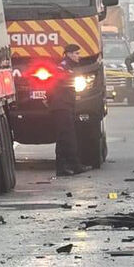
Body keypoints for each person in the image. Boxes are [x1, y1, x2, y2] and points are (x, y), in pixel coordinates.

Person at [52, 43, 89, 176]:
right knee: (65, 137)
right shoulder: (63, 67)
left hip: (66, 105)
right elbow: (61, 82)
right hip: (61, 106)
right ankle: (70, 166)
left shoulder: (70, 67)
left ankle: (67, 166)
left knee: (66, 137)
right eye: (77, 53)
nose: (79, 56)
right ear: (69, 54)